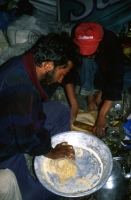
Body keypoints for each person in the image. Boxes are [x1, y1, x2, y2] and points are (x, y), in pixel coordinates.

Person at [0, 32, 81, 200]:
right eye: (62, 73)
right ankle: (51, 158)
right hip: (6, 146)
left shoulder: (26, 62)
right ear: (48, 65)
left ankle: (57, 153)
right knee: (41, 195)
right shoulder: (20, 92)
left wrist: (45, 142)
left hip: (16, 120)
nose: (61, 81)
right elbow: (25, 138)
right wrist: (49, 151)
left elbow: (32, 114)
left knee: (61, 109)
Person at [65, 21, 131, 136]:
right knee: (85, 61)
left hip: (106, 71)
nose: (88, 54)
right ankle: (90, 97)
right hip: (92, 73)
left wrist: (101, 115)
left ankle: (101, 93)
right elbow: (68, 73)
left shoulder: (111, 42)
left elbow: (116, 78)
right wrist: (74, 105)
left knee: (128, 75)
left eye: (91, 51)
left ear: (100, 44)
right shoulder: (74, 44)